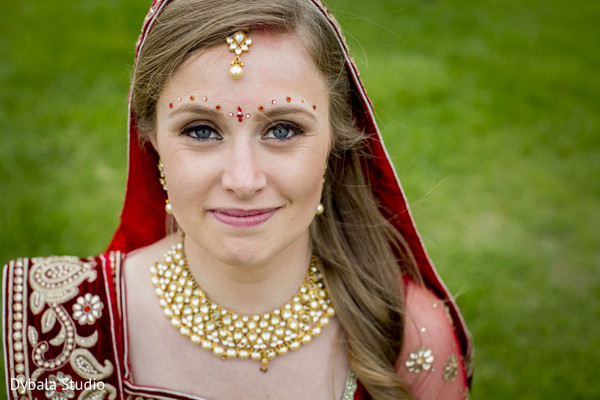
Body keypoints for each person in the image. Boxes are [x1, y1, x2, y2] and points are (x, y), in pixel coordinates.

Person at [2, 0, 473, 399]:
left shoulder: (406, 333)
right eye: (201, 130)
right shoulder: (54, 315)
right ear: (151, 143)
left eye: (283, 129)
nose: (243, 179)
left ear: (337, 139)